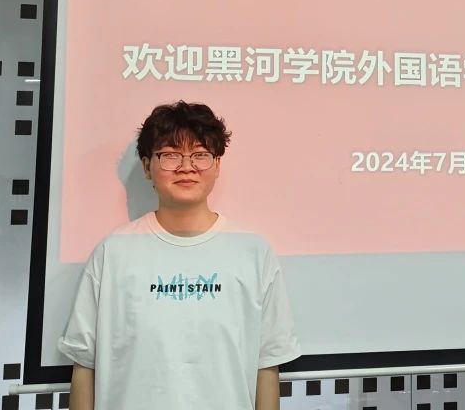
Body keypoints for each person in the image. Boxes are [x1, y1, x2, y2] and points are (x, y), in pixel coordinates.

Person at [60, 101, 300, 410]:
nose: (186, 167)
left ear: (217, 165)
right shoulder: (114, 252)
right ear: (147, 166)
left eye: (200, 155)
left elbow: (267, 365)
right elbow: (84, 363)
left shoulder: (252, 251)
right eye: (170, 155)